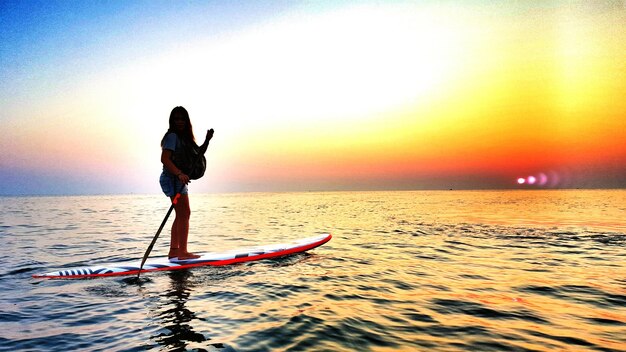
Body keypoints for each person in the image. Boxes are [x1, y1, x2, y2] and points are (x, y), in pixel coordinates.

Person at [160, 106, 214, 260]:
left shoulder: (185, 139)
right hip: (173, 179)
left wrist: (207, 140)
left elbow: (198, 155)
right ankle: (182, 253)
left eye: (182, 118)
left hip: (177, 179)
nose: (179, 122)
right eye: (176, 119)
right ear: (172, 121)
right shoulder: (172, 137)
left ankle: (174, 251)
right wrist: (179, 173)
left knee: (181, 214)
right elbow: (164, 159)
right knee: (184, 214)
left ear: (187, 120)